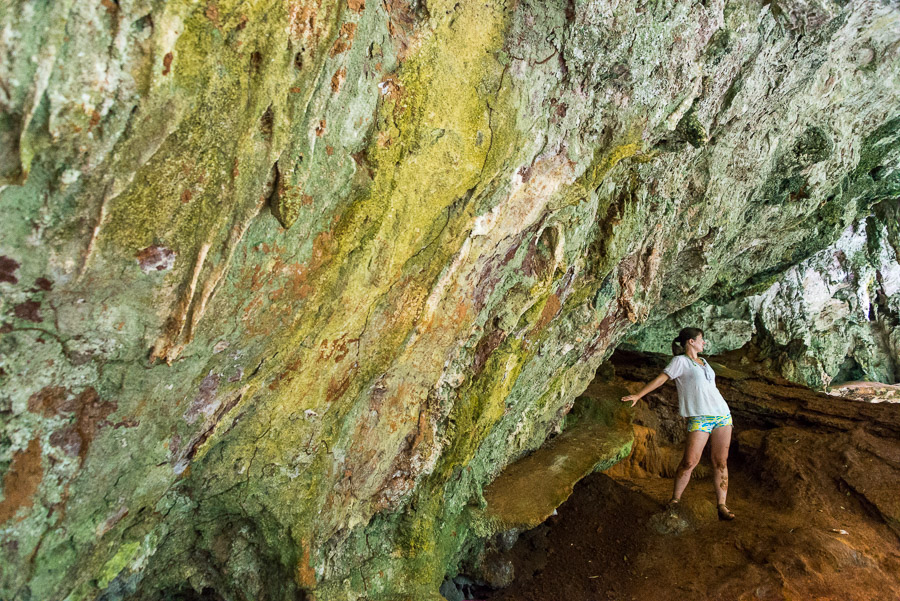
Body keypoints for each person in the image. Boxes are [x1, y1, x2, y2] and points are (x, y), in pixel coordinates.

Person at [620, 327, 735, 521]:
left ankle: (722, 505)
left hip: (722, 415)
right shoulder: (680, 361)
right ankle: (675, 500)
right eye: (701, 339)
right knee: (689, 461)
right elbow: (661, 379)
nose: (704, 343)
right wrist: (639, 395)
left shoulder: (704, 362)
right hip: (700, 418)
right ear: (691, 341)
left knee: (720, 462)